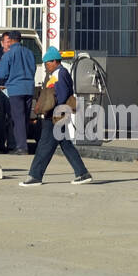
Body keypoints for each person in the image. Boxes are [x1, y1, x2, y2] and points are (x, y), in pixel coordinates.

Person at [20, 46, 94, 186]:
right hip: (56, 115)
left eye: (48, 63)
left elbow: (62, 94)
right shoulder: (56, 73)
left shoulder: (60, 73)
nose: (46, 66)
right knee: (66, 145)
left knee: (44, 146)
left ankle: (35, 176)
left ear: (55, 61)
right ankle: (82, 173)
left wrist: (55, 110)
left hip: (55, 116)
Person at [0, 31, 35, 154]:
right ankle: (23, 144)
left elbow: (1, 74)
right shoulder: (29, 53)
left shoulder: (8, 54)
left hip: (15, 89)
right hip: (29, 88)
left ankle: (22, 147)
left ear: (11, 40)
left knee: (17, 119)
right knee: (25, 118)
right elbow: (33, 69)